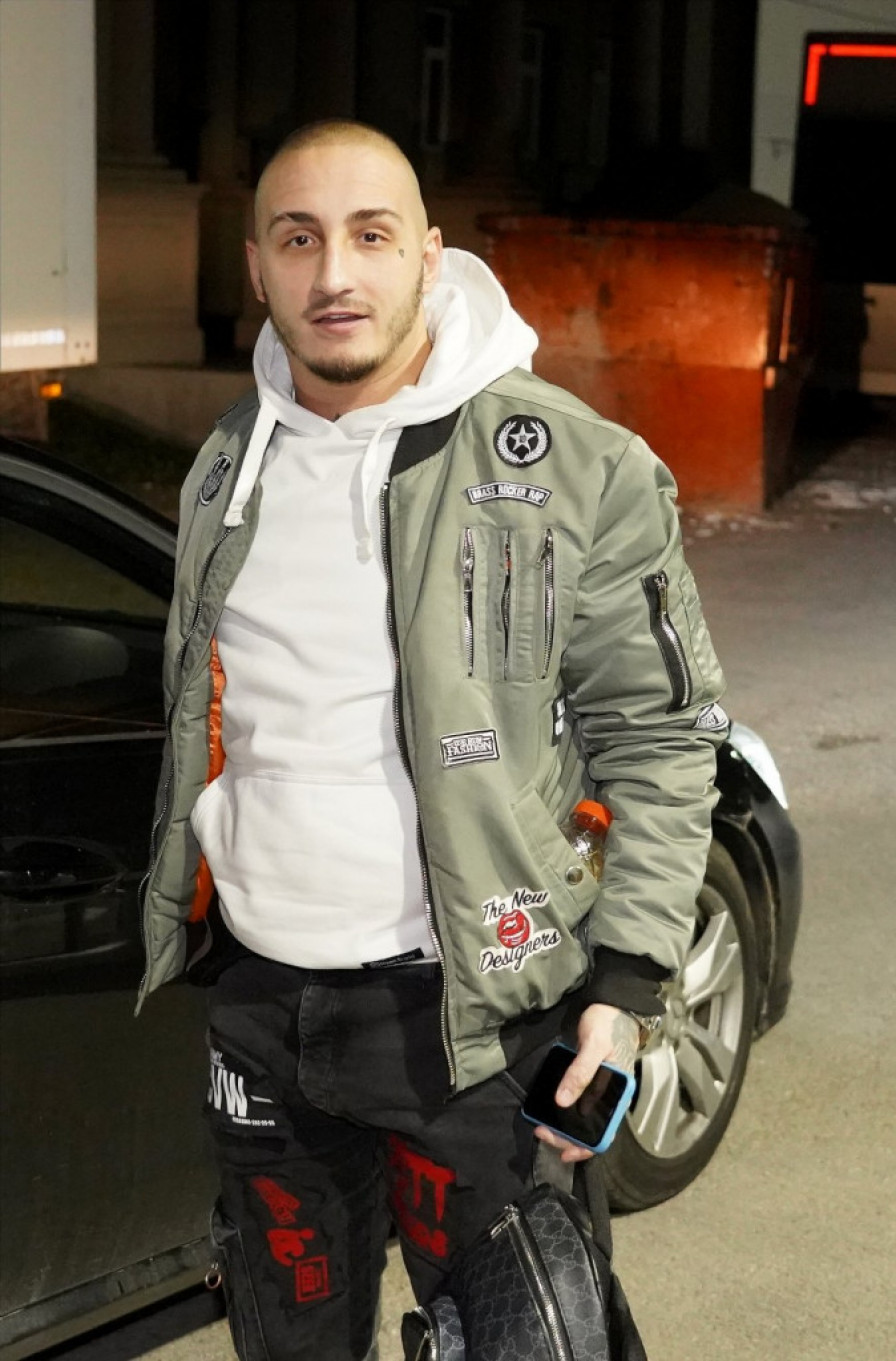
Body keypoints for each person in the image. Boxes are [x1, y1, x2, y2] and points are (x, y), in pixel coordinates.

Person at [139, 119, 728, 1361]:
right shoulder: (226, 468)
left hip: (474, 1028)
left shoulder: (576, 464)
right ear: (256, 266)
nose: (334, 274)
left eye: (370, 235)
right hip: (262, 1011)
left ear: (428, 253)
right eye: (298, 239)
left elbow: (662, 736)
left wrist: (625, 988)